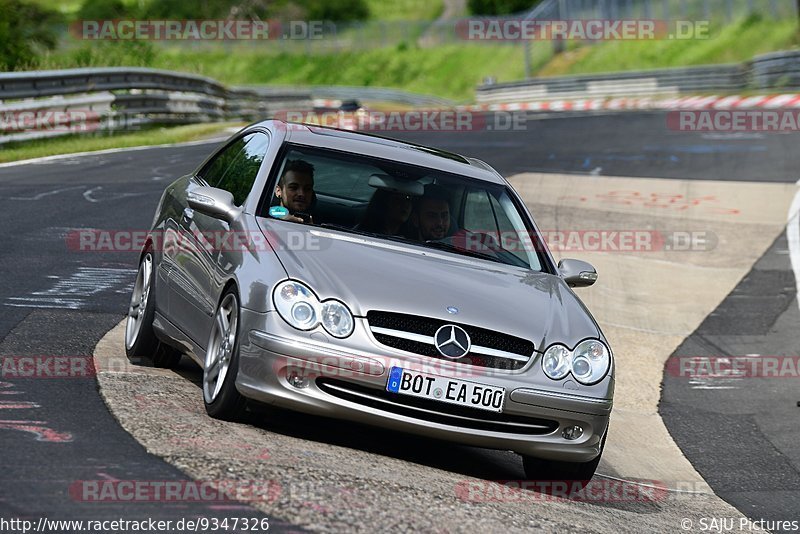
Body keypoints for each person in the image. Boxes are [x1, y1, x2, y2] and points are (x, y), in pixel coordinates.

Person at [274, 159, 315, 223]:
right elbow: (271, 211)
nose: (301, 193)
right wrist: (282, 215)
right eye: (293, 187)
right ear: (278, 191)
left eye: (307, 189)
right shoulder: (266, 216)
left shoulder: (320, 221)